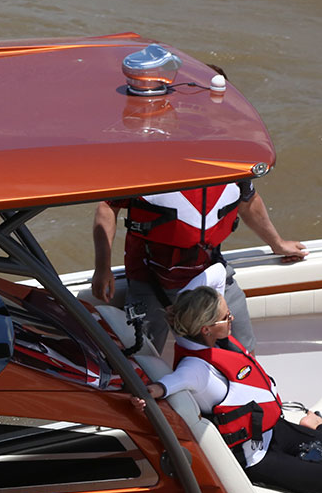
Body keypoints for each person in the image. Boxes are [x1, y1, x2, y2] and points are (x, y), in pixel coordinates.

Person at [130, 265, 322, 493]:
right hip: (256, 456)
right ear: (206, 329)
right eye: (226, 317)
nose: (232, 317)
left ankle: (316, 424)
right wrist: (149, 394)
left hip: (275, 428)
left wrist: (187, 296)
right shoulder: (196, 369)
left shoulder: (205, 327)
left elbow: (217, 271)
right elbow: (168, 384)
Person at [92, 80, 306, 351]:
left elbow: (249, 201)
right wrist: (102, 267)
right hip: (151, 279)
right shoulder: (145, 167)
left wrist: (277, 243)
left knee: (244, 350)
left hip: (211, 273)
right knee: (142, 357)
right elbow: (106, 208)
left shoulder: (230, 162)